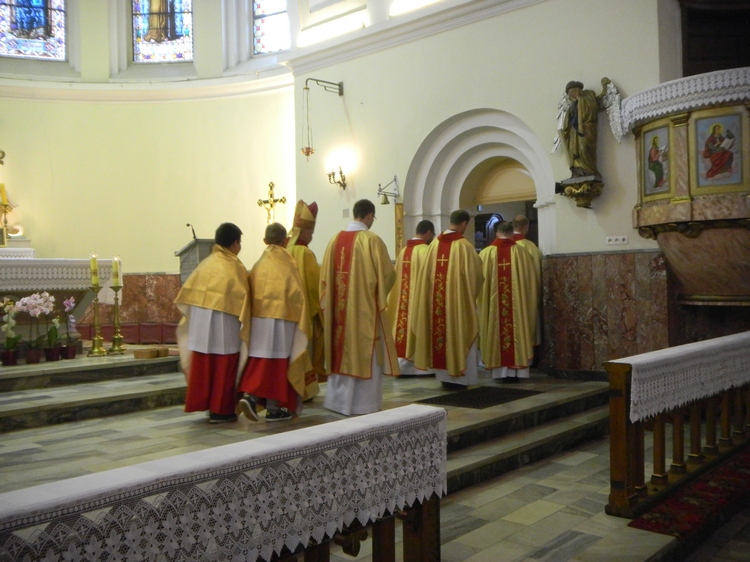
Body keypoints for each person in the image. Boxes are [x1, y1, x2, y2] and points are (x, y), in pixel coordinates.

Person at [320, 199, 400, 415]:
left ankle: (337, 401)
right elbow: (388, 275)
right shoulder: (372, 240)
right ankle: (363, 404)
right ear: (370, 215)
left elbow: (324, 280)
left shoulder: (334, 241)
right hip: (365, 313)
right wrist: (378, 295)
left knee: (340, 349)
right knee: (364, 352)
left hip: (338, 314)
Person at [174, 222, 251, 423]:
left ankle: (208, 405)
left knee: (206, 364)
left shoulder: (206, 264)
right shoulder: (234, 265)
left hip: (201, 322)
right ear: (235, 243)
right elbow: (245, 297)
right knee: (224, 365)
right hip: (225, 321)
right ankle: (221, 410)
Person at [236, 223, 312, 422]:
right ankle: (265, 404)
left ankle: (260, 402)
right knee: (278, 365)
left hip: (259, 318)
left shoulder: (259, 264)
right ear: (285, 241)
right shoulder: (288, 262)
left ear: (265, 241)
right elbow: (297, 293)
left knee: (260, 359)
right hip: (283, 318)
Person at [412, 209, 483, 389]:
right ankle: (460, 378)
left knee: (439, 337)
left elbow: (424, 277)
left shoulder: (434, 245)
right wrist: (467, 298)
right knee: (458, 334)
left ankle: (444, 378)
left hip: (435, 307)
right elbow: (476, 277)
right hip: (457, 308)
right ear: (464, 223)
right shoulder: (464, 246)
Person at [478, 221, 536, 382]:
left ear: (497, 233)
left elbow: (479, 285)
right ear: (511, 234)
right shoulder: (522, 253)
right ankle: (518, 372)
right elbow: (530, 284)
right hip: (517, 308)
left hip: (494, 309)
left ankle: (499, 371)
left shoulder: (485, 254)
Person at [387, 219, 435, 376]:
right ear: (428, 233)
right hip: (418, 301)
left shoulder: (403, 252)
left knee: (402, 328)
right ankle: (420, 366)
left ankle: (402, 365)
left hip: (403, 300)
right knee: (418, 325)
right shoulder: (426, 251)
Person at [287, 200, 324, 398]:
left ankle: (292, 388)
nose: (311, 236)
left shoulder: (285, 250)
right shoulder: (306, 253)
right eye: (310, 232)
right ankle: (304, 390)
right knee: (305, 350)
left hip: (287, 312)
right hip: (305, 311)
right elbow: (314, 285)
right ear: (304, 232)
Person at [561, 80, 608, 178]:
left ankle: (589, 170)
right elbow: (568, 118)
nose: (571, 94)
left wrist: (579, 99)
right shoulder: (573, 104)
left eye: (573, 91)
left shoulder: (589, 95)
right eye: (569, 92)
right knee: (574, 152)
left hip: (586, 129)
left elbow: (592, 109)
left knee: (584, 148)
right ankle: (577, 171)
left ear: (579, 89)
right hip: (574, 131)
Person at [512, 215, 542, 348]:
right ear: (526, 227)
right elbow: (537, 275)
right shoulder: (530, 247)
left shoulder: (493, 250)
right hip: (525, 297)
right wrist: (537, 297)